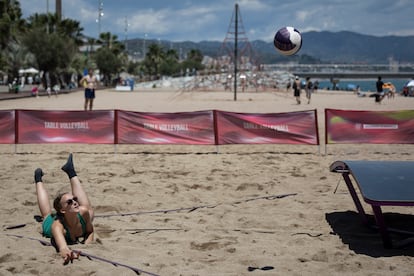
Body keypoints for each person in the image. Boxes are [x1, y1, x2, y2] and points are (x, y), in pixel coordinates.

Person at [34, 153, 94, 264]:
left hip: (71, 218)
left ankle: (71, 172)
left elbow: (90, 232)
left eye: (75, 199)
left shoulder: (83, 212)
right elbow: (63, 248)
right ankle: (38, 179)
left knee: (88, 210)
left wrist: (87, 245)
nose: (75, 203)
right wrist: (68, 255)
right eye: (69, 202)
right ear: (62, 210)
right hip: (50, 223)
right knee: (46, 215)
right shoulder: (57, 227)